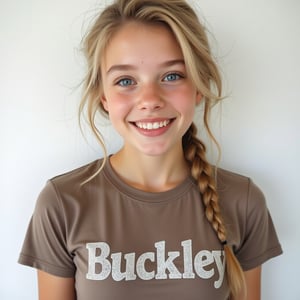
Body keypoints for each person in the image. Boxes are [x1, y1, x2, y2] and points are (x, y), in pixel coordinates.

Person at [18, 0, 283, 299]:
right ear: (103, 97)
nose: (150, 99)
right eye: (126, 80)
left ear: (198, 86)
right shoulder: (62, 203)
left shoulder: (243, 200)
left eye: (172, 76)